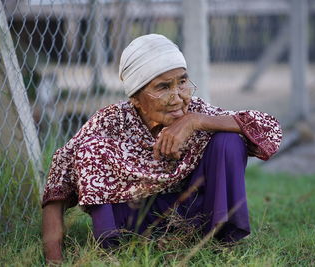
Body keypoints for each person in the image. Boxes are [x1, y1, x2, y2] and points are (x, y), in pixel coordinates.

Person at [42, 34, 282, 264]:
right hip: (134, 220)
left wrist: (194, 121)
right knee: (92, 147)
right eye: (163, 87)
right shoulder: (112, 120)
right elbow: (63, 166)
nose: (177, 97)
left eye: (183, 82)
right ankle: (111, 248)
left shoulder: (195, 112)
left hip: (193, 214)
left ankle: (222, 240)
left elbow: (267, 128)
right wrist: (53, 252)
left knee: (229, 139)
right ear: (135, 98)